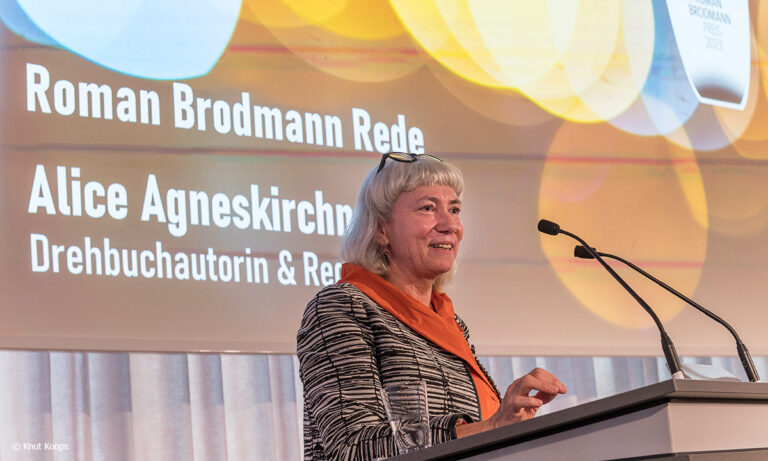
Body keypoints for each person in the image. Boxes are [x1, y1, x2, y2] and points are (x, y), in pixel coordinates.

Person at [297, 152, 567, 461]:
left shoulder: (451, 322)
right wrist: (492, 425)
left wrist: (509, 429)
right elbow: (352, 445)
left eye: (454, 209)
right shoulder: (343, 307)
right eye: (428, 208)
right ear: (382, 229)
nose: (450, 224)